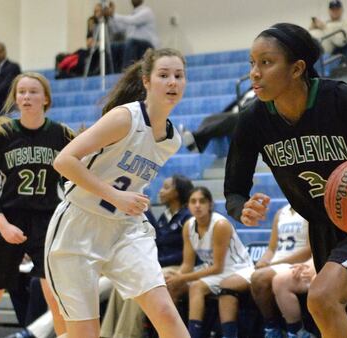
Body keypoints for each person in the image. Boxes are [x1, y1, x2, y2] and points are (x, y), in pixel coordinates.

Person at [224, 23, 347, 338]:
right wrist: (241, 208)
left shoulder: (342, 99)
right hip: (325, 225)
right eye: (251, 63)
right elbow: (234, 191)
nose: (254, 73)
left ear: (297, 68)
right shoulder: (252, 120)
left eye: (266, 62)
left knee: (322, 298)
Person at [44, 48, 190, 338]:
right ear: (147, 81)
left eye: (178, 75)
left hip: (126, 229)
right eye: (164, 75)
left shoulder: (172, 139)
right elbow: (63, 161)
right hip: (78, 226)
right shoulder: (125, 118)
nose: (172, 82)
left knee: (164, 311)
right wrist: (115, 196)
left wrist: (123, 201)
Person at [0, 72, 70, 338]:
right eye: (21, 92)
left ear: (45, 98)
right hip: (8, 217)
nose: (26, 96)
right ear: (15, 98)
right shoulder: (2, 133)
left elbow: (72, 182)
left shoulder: (61, 134)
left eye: (33, 91)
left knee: (56, 298)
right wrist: (1, 223)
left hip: (47, 220)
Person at [100, 175, 194, 338]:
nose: (161, 191)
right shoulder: (165, 217)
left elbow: (187, 256)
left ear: (178, 192)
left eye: (166, 187)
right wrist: (145, 210)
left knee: (138, 285)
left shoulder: (187, 217)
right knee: (122, 285)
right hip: (159, 265)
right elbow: (154, 238)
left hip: (178, 267)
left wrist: (163, 265)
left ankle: (127, 334)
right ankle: (107, 334)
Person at [165, 186, 253, 338]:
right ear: (188, 205)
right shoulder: (188, 225)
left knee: (196, 287)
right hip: (212, 269)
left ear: (210, 204)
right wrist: (176, 278)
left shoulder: (220, 225)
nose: (197, 205)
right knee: (171, 286)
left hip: (236, 269)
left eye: (202, 201)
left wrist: (182, 278)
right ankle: (170, 333)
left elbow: (218, 268)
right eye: (193, 201)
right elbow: (187, 264)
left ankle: (194, 335)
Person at [218, 203, 311, 338]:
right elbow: (271, 248)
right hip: (275, 264)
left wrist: (273, 264)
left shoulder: (308, 210)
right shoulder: (281, 212)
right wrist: (263, 261)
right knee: (227, 285)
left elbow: (309, 250)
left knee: (259, 278)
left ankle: (272, 328)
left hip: (295, 264)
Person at [271, 259, 316, 338]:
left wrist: (319, 267)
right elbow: (319, 252)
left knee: (319, 282)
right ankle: (296, 332)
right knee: (280, 281)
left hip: (339, 266)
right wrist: (306, 265)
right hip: (323, 262)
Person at [109, 0, 159, 71]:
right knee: (114, 46)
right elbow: (116, 30)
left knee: (131, 42)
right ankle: (113, 73)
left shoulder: (147, 12)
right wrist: (109, 17)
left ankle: (127, 72)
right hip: (133, 45)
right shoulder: (131, 15)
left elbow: (133, 20)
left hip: (148, 46)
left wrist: (113, 14)